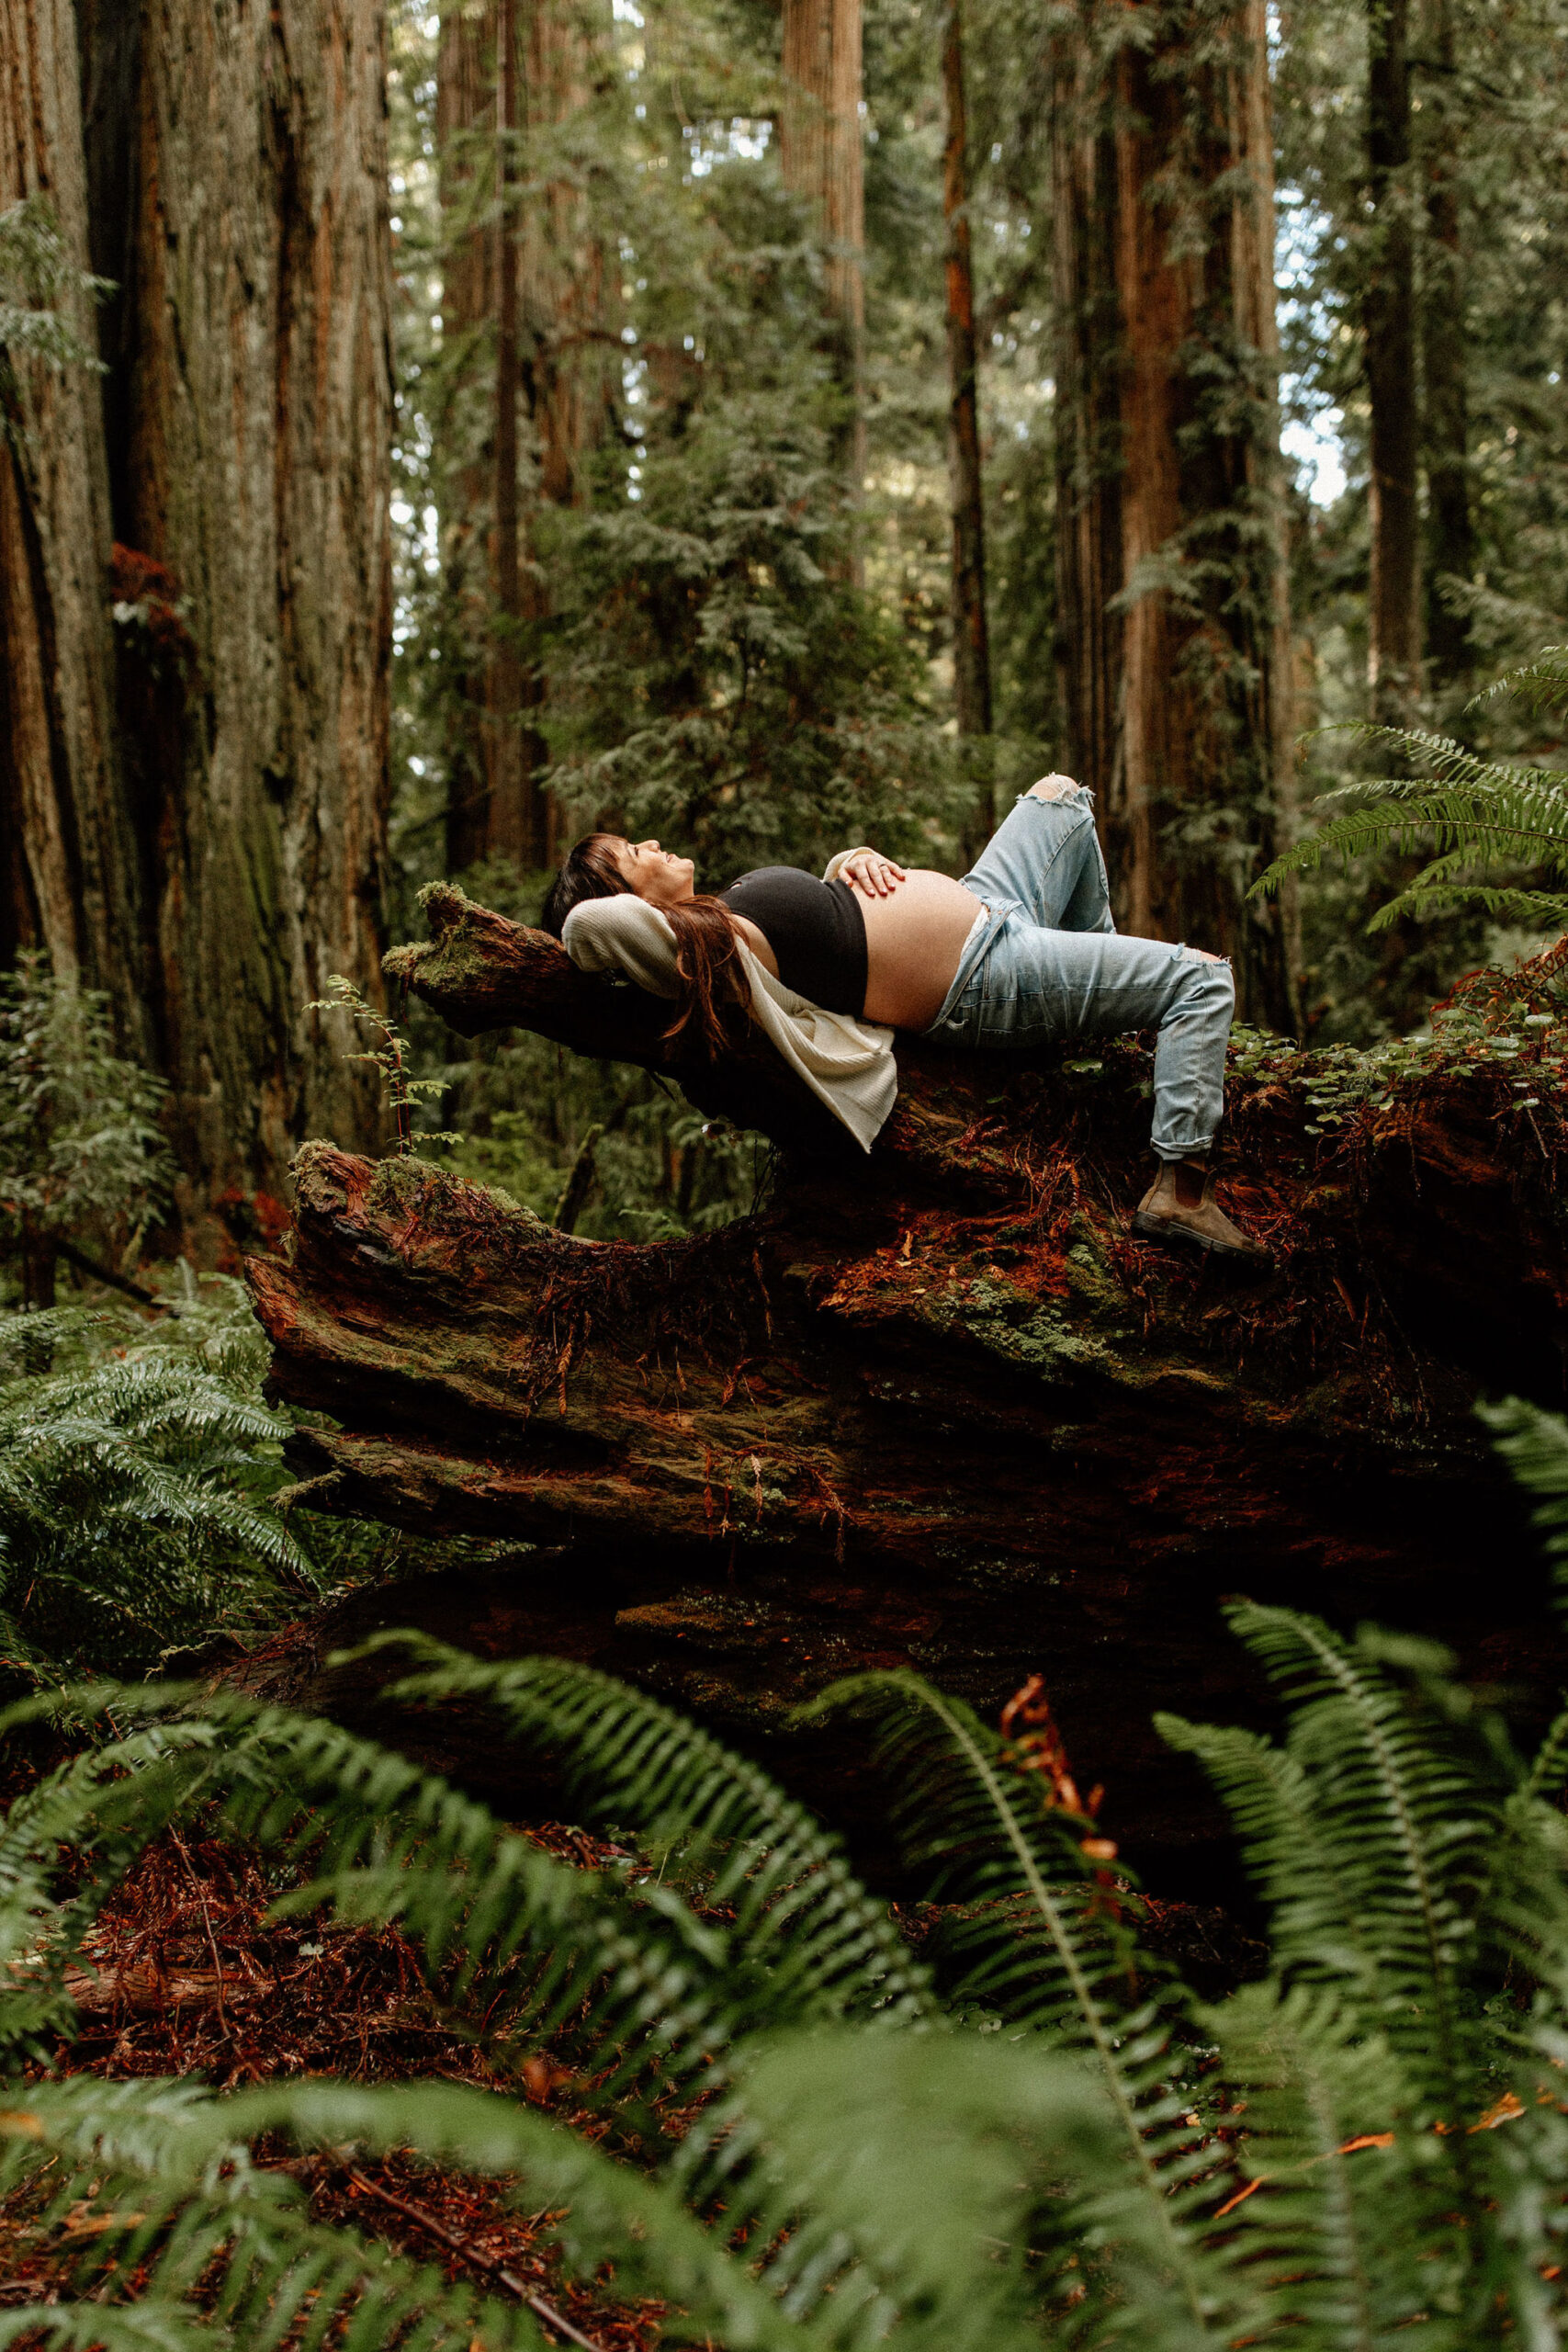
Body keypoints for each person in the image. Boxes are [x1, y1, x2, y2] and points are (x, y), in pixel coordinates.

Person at [540, 776, 1265, 1261]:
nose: (655, 844)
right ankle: (1182, 1188)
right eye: (636, 855)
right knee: (1202, 978)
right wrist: (588, 897)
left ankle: (1110, 994)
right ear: (627, 898)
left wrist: (846, 861)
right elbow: (589, 931)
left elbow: (826, 926)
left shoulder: (723, 914)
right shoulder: (704, 951)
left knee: (1063, 798)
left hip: (992, 909)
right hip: (982, 977)